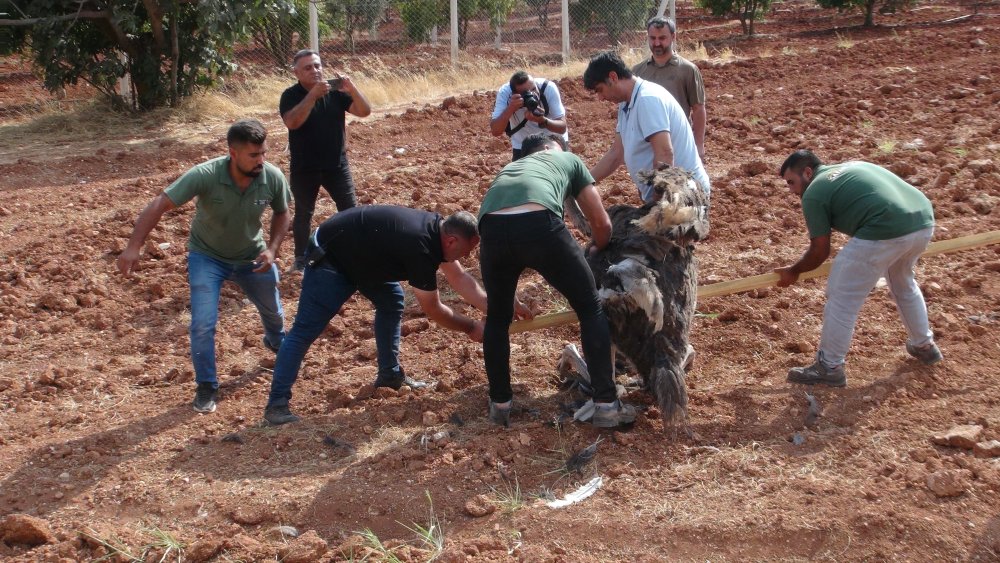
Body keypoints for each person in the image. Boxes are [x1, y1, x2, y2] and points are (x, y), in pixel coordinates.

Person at [263, 206, 529, 425]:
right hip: (332, 258)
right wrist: (471, 327)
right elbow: (433, 308)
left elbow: (460, 278)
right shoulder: (421, 247)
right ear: (452, 240)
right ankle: (276, 405)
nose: (467, 256)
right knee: (304, 330)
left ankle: (389, 376)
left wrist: (500, 309)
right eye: (467, 251)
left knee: (391, 300)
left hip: (363, 255)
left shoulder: (439, 232)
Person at [117, 119, 291, 414]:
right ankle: (207, 385)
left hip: (252, 256)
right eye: (254, 155)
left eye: (263, 153)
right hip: (207, 257)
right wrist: (134, 245)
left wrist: (273, 250)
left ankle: (275, 338)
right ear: (233, 154)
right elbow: (160, 202)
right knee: (202, 323)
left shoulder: (271, 176)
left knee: (273, 311)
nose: (261, 160)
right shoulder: (205, 174)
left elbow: (282, 212)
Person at [478, 133, 637, 428]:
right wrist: (596, 246)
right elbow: (601, 223)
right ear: (556, 148)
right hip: (539, 224)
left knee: (498, 321)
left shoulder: (509, 170)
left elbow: (503, 219)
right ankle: (606, 405)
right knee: (590, 308)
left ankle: (500, 405)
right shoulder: (566, 158)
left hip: (491, 230)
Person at [775, 150, 942, 387]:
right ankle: (924, 345)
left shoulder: (814, 192)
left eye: (791, 182)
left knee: (842, 296)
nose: (792, 190)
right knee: (903, 282)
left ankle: (829, 366)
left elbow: (819, 252)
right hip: (922, 222)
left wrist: (794, 271)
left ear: (808, 172)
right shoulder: (852, 166)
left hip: (885, 229)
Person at [280, 49, 373, 272]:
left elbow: (364, 111)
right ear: (297, 73)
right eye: (308, 67)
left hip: (336, 165)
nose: (315, 71)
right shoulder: (290, 95)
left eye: (317, 65)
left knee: (350, 210)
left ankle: (355, 253)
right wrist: (312, 96)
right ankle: (301, 258)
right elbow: (292, 122)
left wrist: (352, 89)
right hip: (305, 167)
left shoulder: (335, 92)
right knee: (303, 213)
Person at [584, 51, 710, 204]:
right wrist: (583, 183)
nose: (600, 97)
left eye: (600, 89)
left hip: (682, 197)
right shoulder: (626, 103)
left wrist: (656, 202)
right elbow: (617, 153)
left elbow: (665, 154)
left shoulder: (647, 99)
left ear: (613, 77)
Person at [632, 16, 707, 161]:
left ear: (673, 37)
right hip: (647, 145)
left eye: (662, 38)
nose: (657, 43)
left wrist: (699, 145)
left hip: (679, 143)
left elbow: (698, 108)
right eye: (652, 38)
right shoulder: (638, 72)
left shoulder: (687, 70)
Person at [489, 70, 569, 161]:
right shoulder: (505, 93)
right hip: (523, 145)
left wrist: (543, 120)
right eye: (526, 93)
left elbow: (562, 127)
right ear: (515, 94)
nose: (532, 95)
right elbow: (495, 131)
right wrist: (510, 108)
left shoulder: (547, 87)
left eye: (534, 89)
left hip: (553, 141)